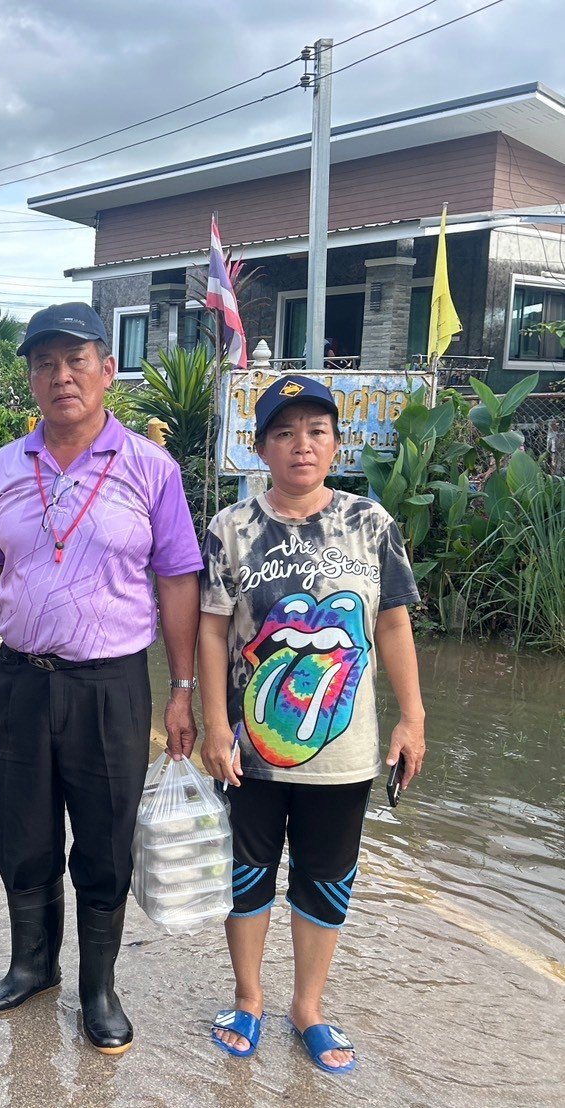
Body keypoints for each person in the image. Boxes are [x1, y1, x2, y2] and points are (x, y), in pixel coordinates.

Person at [0, 302, 202, 1055]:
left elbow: (178, 583)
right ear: (29, 378)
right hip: (18, 684)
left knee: (102, 844)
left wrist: (184, 687)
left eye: (75, 360)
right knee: (22, 836)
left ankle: (97, 988)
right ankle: (32, 965)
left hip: (110, 687)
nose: (60, 376)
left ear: (105, 368)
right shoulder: (5, 465)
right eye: (43, 363)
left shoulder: (149, 467)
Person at [199, 374, 426, 1074]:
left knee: (325, 880)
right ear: (261, 446)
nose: (301, 445)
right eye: (284, 432)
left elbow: (390, 623)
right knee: (246, 875)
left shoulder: (370, 523)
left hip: (345, 753)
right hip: (250, 751)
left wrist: (411, 718)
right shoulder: (230, 528)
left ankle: (308, 1007)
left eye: (316, 431)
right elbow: (210, 632)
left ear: (335, 443)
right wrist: (212, 722)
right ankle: (248, 997)